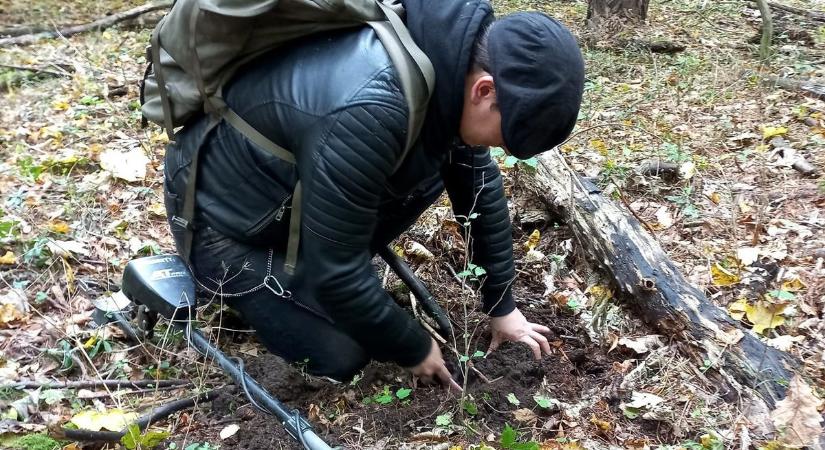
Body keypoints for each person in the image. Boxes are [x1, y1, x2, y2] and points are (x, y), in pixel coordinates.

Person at [163, 0, 584, 388]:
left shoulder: (450, 66)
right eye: (505, 136)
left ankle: (310, 274)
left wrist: (502, 305)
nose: (502, 148)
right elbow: (339, 276)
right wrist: (413, 346)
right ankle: (248, 283)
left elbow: (480, 186)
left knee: (448, 166)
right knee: (341, 355)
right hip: (221, 221)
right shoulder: (370, 109)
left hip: (292, 204)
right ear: (485, 90)